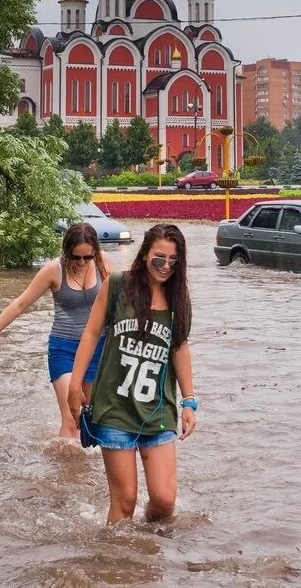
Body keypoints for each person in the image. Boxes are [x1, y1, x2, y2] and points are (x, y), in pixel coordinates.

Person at [68, 223, 196, 524]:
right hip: (114, 408)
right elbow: (90, 333)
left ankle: (146, 555)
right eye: (159, 258)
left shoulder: (179, 298)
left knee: (164, 502)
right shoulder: (117, 285)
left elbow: (179, 347)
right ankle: (116, 564)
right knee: (125, 502)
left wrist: (189, 400)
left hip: (158, 409)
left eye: (173, 261)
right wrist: (76, 384)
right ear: (144, 254)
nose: (165, 266)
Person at [0, 223, 110, 439]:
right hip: (63, 348)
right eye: (76, 257)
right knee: (71, 419)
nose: (82, 263)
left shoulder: (104, 265)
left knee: (89, 417)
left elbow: (126, 299)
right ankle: (65, 470)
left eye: (88, 257)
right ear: (66, 252)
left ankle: (83, 469)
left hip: (97, 349)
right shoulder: (53, 270)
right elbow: (20, 304)